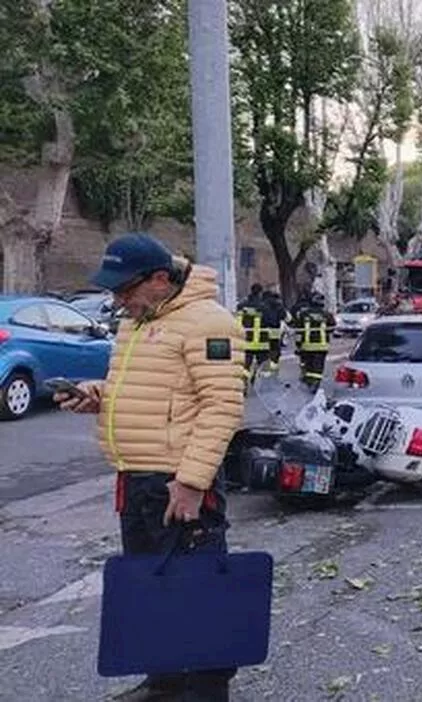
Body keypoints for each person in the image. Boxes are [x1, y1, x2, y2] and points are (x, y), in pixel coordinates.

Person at [56, 233, 246, 702]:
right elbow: (146, 389)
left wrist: (191, 482)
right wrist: (95, 395)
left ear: (160, 279)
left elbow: (221, 406)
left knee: (196, 589)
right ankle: (163, 684)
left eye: (125, 289)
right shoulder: (139, 321)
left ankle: (205, 691)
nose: (118, 299)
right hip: (136, 477)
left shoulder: (208, 323)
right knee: (150, 585)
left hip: (178, 481)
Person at [291, 292, 335, 389]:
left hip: (306, 346)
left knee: (309, 366)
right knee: (318, 368)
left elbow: (298, 331)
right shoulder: (327, 315)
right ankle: (315, 384)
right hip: (321, 347)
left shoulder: (303, 314)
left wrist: (298, 345)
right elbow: (332, 328)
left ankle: (309, 382)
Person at [234, 285, 271, 373]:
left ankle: (245, 381)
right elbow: (269, 321)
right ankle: (261, 383)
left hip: (246, 341)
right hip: (261, 342)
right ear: (260, 293)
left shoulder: (241, 306)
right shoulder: (263, 307)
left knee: (245, 365)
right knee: (263, 367)